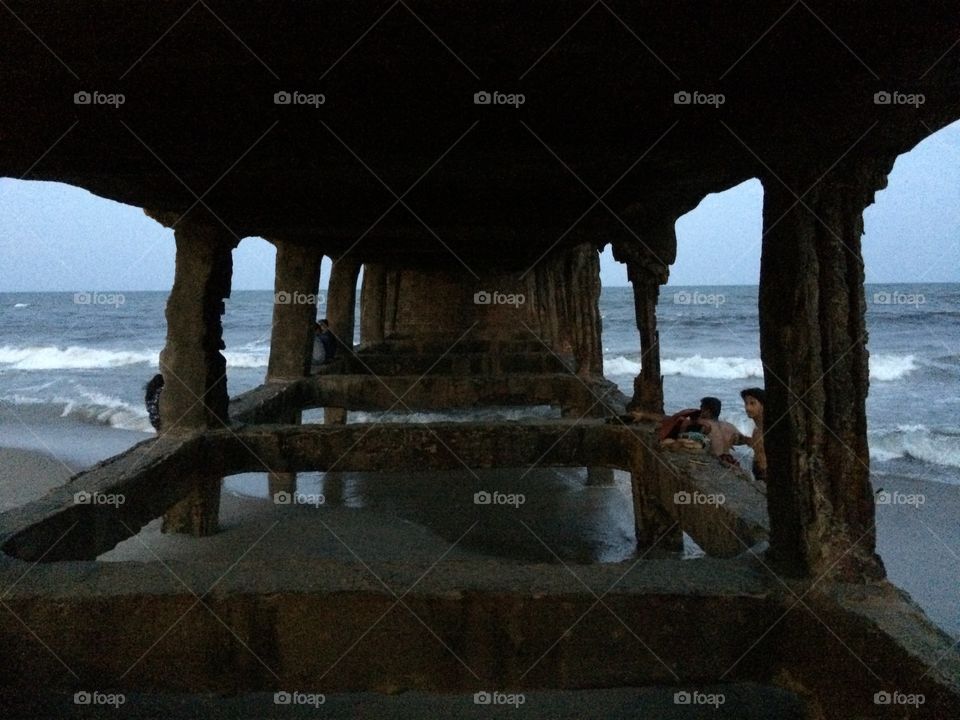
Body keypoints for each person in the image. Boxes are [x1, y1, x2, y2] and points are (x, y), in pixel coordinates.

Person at [695, 396, 741, 463]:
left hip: (714, 461)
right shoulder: (730, 426)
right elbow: (743, 441)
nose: (700, 411)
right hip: (729, 459)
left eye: (701, 408)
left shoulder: (703, 424)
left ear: (707, 411)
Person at [735, 387, 766, 482]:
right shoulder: (756, 430)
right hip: (758, 473)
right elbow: (757, 445)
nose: (747, 408)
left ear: (763, 405)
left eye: (752, 403)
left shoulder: (769, 428)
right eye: (746, 403)